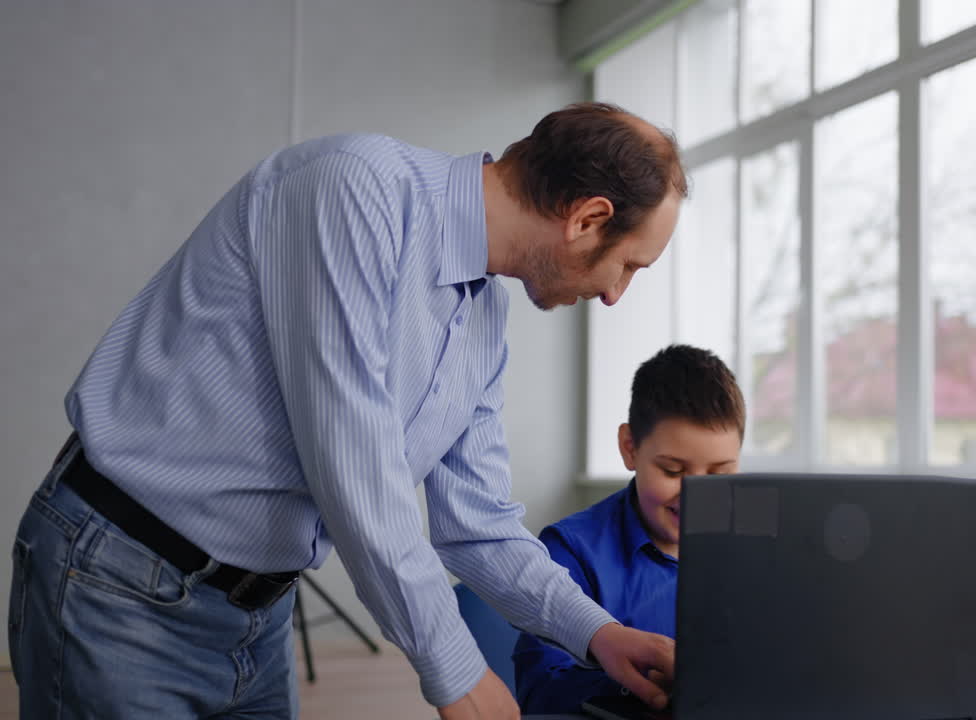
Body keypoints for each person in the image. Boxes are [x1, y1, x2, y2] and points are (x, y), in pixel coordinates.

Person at [8, 103, 686, 720]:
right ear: (587, 218)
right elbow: (353, 467)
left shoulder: (483, 317)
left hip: (257, 613)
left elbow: (478, 524)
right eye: (629, 266)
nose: (615, 295)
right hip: (119, 582)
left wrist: (599, 633)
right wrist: (454, 668)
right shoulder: (354, 189)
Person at [513, 344, 745, 715]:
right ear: (629, 447)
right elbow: (540, 691)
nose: (697, 495)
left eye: (719, 474)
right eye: (673, 470)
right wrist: (641, 683)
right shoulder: (570, 551)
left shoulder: (758, 551)